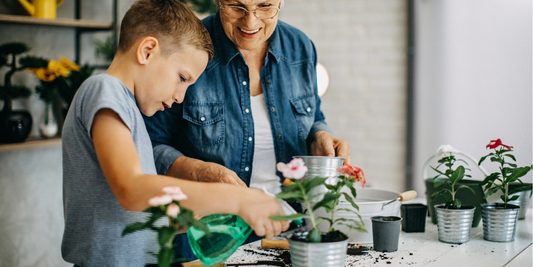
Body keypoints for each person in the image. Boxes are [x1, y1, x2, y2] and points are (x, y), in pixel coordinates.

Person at [60, 1, 289, 266]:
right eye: (182, 78)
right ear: (147, 51)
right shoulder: (104, 89)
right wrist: (239, 199)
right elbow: (131, 189)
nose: (181, 97)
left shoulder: (131, 113)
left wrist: (203, 215)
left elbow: (142, 211)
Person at [144, 0, 351, 261]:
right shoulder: (189, 47)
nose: (250, 21)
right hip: (210, 237)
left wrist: (320, 135)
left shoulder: (301, 48)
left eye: (265, 6)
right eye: (236, 6)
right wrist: (201, 172)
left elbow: (313, 116)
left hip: (290, 229)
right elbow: (150, 145)